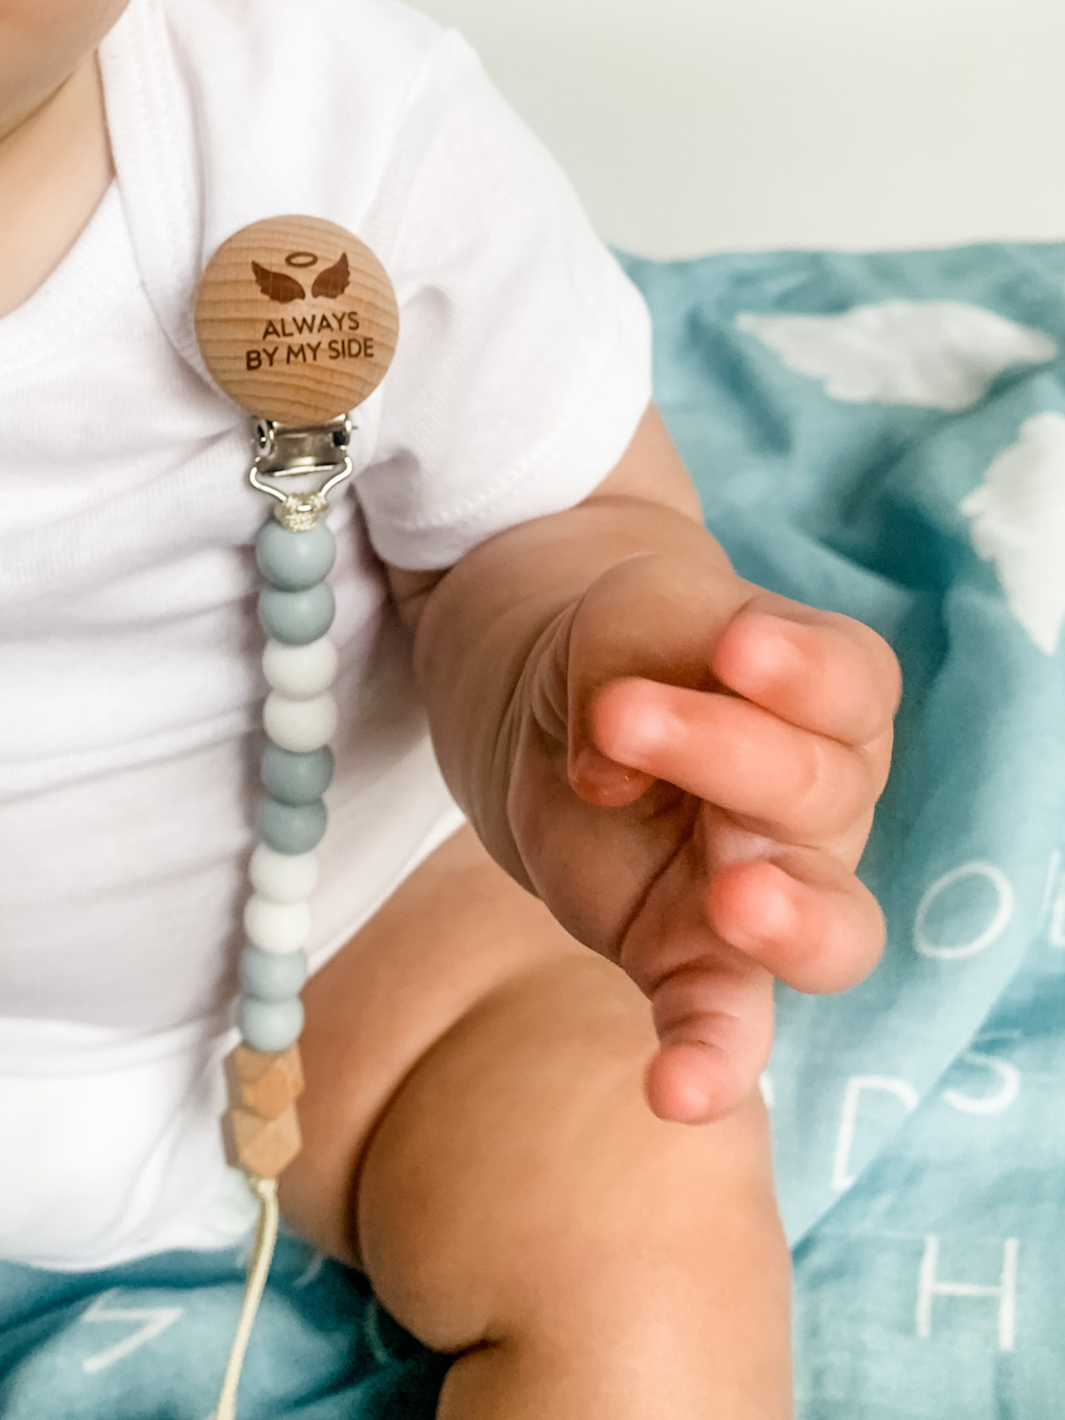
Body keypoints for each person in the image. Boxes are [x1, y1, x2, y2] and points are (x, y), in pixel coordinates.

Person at [0, 0, 899, 1414]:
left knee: (632, 1191)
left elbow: (541, 527)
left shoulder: (333, 128)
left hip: (360, 939)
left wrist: (581, 672)